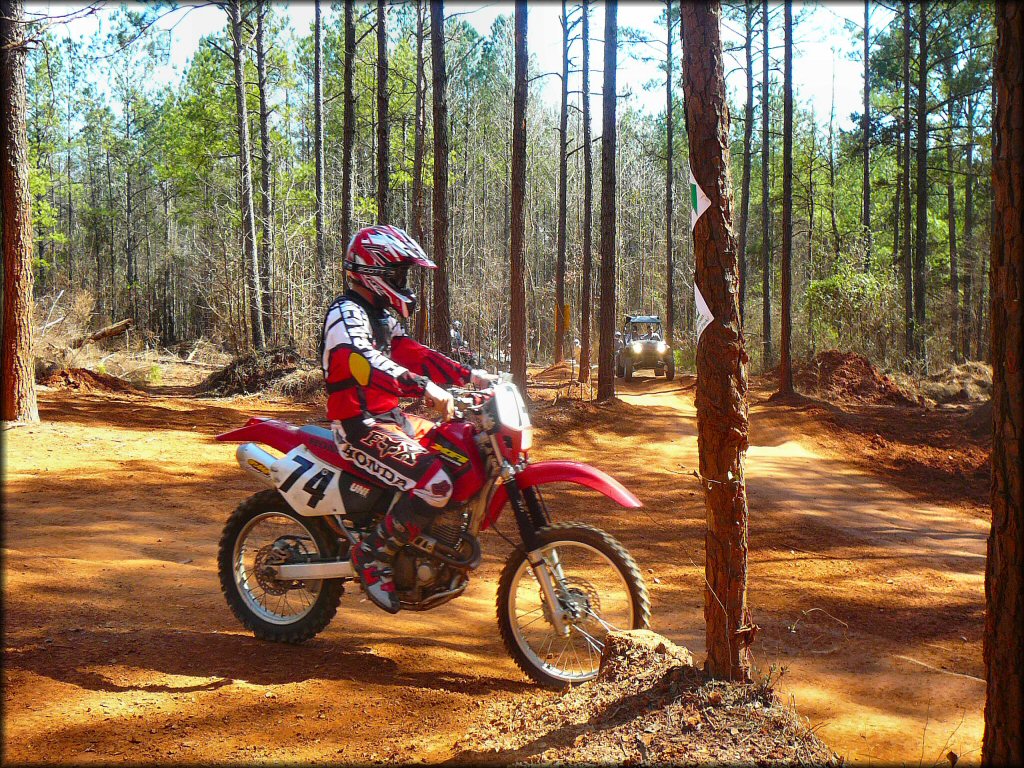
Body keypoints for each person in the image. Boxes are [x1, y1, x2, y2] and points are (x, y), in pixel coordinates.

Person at [320, 225, 496, 614]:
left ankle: (431, 539)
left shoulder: (380, 315)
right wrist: (423, 388)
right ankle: (372, 555)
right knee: (434, 483)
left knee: (457, 450)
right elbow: (364, 358)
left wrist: (469, 375)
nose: (405, 283)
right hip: (359, 426)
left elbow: (410, 352)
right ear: (375, 272)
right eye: (399, 274)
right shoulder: (345, 314)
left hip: (391, 418)